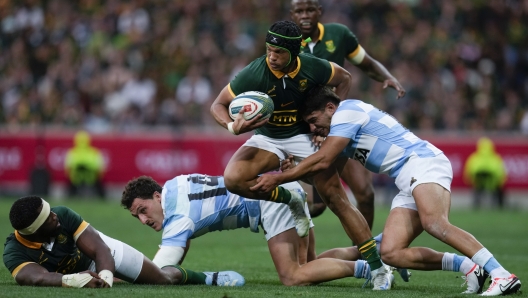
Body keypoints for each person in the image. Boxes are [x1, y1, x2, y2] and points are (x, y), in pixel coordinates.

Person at [251, 86, 522, 296]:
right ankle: (470, 267)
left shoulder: (347, 112)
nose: (313, 128)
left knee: (435, 223)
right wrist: (294, 166)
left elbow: (322, 160)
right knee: (391, 253)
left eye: (313, 119)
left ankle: (502, 275)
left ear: (330, 107)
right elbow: (326, 176)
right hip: (407, 177)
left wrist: (280, 178)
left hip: (422, 162)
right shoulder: (341, 132)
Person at [210, 20, 392, 290]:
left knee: (336, 199)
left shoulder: (312, 66)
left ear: (295, 52)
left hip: (303, 137)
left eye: (279, 52)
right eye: (269, 49)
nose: (272, 56)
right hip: (267, 137)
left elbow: (345, 78)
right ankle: (291, 197)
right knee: (233, 179)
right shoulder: (254, 73)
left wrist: (332, 125)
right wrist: (231, 126)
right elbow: (218, 104)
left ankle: (377, 268)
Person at [120, 175, 401, 287]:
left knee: (293, 277)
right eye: (137, 218)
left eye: (142, 210)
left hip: (270, 204)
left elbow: (154, 273)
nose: (143, 220)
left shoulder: (179, 218)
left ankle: (373, 270)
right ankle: (379, 249)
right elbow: (181, 244)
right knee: (312, 265)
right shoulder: (174, 184)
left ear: (157, 197)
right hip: (284, 192)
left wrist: (112, 275)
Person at [290, 0, 406, 226]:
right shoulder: (288, 44)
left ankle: (364, 253)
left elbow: (367, 63)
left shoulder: (339, 34)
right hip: (306, 130)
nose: (305, 15)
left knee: (365, 193)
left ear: (319, 12)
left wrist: (387, 77)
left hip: (338, 129)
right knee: (317, 204)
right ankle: (279, 218)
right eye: (299, 11)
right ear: (292, 14)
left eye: (309, 10)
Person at [3, 196, 245, 288]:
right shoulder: (14, 253)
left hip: (99, 255)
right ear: (34, 231)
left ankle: (206, 277)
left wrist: (106, 275)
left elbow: (100, 248)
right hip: (76, 273)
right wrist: (70, 280)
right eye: (48, 217)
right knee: (132, 284)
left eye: (51, 210)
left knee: (161, 279)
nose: (54, 215)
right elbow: (36, 277)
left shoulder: (63, 214)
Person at [463, 137, 507, 209]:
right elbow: (502, 174)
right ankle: (500, 206)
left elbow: (468, 173)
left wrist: (471, 182)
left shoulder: (474, 158)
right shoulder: (496, 158)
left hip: (479, 185)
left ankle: (476, 205)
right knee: (499, 191)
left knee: (477, 190)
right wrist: (499, 183)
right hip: (493, 185)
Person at [64, 131, 106, 198]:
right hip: (88, 178)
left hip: (80, 178)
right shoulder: (94, 152)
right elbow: (99, 167)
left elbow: (68, 167)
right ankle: (103, 198)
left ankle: (70, 197)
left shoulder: (72, 152)